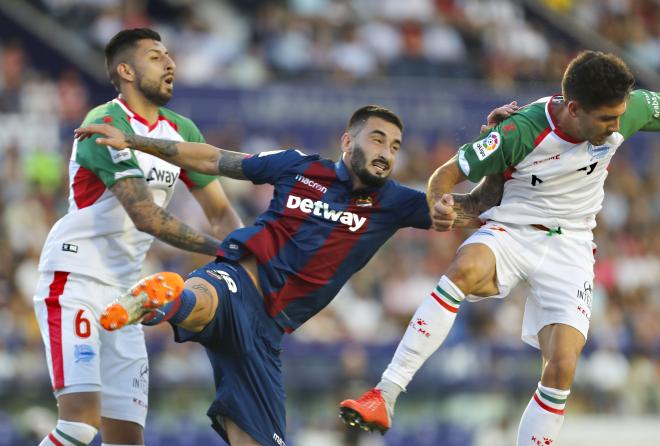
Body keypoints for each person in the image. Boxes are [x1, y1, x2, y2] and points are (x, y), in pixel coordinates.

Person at [74, 102, 516, 446]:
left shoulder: (395, 202)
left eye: (395, 147)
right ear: (348, 141)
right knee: (206, 298)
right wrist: (133, 140)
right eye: (378, 140)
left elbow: (472, 208)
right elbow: (213, 159)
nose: (386, 154)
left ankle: (168, 300)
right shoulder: (297, 165)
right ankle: (166, 299)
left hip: (268, 335)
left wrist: (496, 147)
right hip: (237, 280)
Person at [339, 51, 660, 445]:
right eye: (607, 119)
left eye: (619, 117)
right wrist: (439, 203)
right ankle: (384, 395)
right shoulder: (520, 131)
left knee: (561, 368)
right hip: (513, 228)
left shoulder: (629, 110)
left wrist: (620, 116)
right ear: (574, 109)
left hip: (574, 244)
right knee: (463, 269)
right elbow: (446, 176)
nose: (615, 129)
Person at [33, 28, 242, 446]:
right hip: (74, 279)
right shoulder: (103, 124)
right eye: (155, 56)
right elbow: (146, 216)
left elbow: (220, 212)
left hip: (126, 299)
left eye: (169, 55)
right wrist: (226, 251)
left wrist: (245, 256)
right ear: (125, 70)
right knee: (79, 424)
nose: (170, 64)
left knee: (127, 439)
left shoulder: (181, 130)